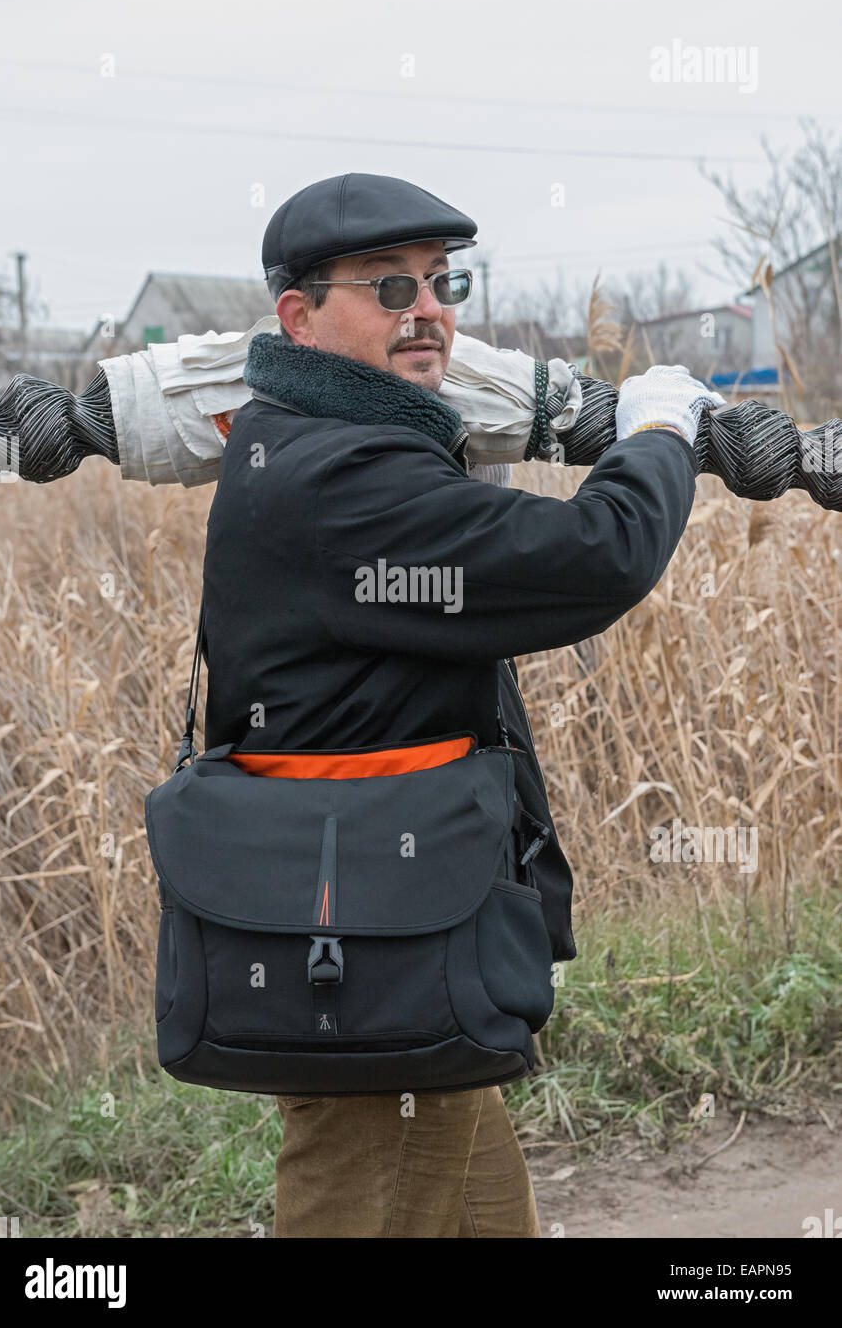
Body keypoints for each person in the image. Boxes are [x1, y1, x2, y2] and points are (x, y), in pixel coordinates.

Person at [199, 171, 714, 1238]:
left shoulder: (298, 435)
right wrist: (659, 435)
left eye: (442, 283)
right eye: (390, 288)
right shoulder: (345, 479)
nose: (428, 311)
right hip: (374, 952)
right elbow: (592, 556)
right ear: (298, 315)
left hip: (397, 939)